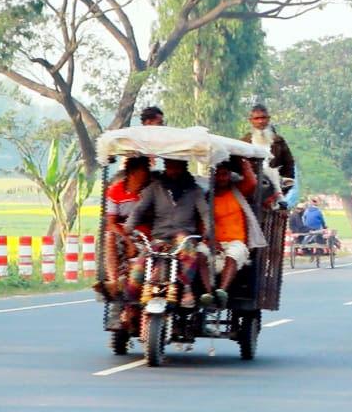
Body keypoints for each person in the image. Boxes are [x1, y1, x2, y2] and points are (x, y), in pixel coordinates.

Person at [124, 158, 212, 308]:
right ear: (165, 168)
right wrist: (129, 227)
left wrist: (209, 230)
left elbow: (205, 212)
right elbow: (139, 209)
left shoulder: (194, 190)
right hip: (159, 238)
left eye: (177, 168)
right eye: (170, 168)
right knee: (138, 271)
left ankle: (185, 288)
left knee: (187, 249)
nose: (174, 172)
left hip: (183, 238)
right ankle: (133, 304)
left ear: (184, 168)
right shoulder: (155, 188)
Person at [205, 157, 267, 307]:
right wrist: (209, 240)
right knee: (199, 254)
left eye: (224, 174)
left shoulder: (237, 191)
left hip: (236, 242)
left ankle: (222, 292)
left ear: (229, 175)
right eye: (217, 174)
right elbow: (202, 222)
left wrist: (243, 161)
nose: (221, 178)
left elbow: (252, 183)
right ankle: (207, 293)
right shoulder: (207, 197)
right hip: (215, 243)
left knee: (232, 255)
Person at [96, 155, 151, 303]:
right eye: (143, 170)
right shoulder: (115, 190)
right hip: (122, 233)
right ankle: (113, 281)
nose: (146, 173)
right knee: (109, 236)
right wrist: (128, 242)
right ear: (133, 172)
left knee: (138, 259)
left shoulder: (150, 191)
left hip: (144, 235)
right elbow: (111, 223)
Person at [242, 104, 295, 202]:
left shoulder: (279, 141)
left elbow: (289, 167)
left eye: (263, 118)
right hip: (251, 194)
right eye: (257, 118)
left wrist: (283, 191)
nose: (260, 121)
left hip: (274, 194)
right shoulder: (244, 142)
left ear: (268, 119)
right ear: (251, 120)